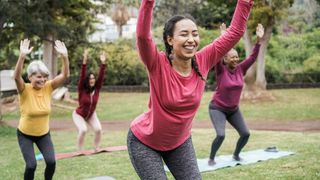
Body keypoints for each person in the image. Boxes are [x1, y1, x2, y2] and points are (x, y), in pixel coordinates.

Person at [127, 0, 254, 179]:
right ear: (170, 40)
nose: (191, 40)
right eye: (184, 34)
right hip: (145, 142)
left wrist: (245, 2)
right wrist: (148, 2)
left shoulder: (203, 60)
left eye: (195, 34)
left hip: (179, 143)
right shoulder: (157, 63)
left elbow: (235, 32)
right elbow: (142, 37)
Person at [208, 23, 264, 166]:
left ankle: (236, 155)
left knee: (245, 134)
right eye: (231, 57)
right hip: (217, 108)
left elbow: (252, 58)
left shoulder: (240, 69)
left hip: (233, 110)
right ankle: (211, 158)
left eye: (236, 57)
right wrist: (223, 38)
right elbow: (219, 52)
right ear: (225, 59)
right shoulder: (220, 70)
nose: (235, 59)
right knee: (221, 135)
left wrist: (258, 40)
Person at [14, 39, 69, 180]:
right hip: (25, 134)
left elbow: (64, 76)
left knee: (51, 162)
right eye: (39, 77)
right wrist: (22, 56)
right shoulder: (24, 89)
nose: (43, 80)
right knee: (31, 165)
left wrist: (65, 57)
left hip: (43, 134)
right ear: (30, 77)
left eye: (45, 77)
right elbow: (16, 76)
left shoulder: (48, 87)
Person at [72, 49, 106, 153]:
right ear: (87, 80)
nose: (92, 80)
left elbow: (101, 76)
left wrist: (103, 63)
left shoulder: (97, 89)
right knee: (83, 130)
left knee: (98, 129)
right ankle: (80, 150)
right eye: (90, 79)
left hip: (91, 114)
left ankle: (96, 148)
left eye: (93, 79)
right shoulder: (81, 89)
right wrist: (84, 60)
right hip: (79, 115)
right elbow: (82, 75)